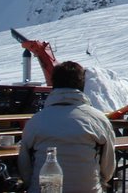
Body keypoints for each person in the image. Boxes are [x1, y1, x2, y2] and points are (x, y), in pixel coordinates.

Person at [18, 61, 116, 193]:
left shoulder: (36, 121)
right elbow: (108, 169)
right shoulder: (98, 120)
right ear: (82, 85)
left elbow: (25, 168)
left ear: (53, 84)